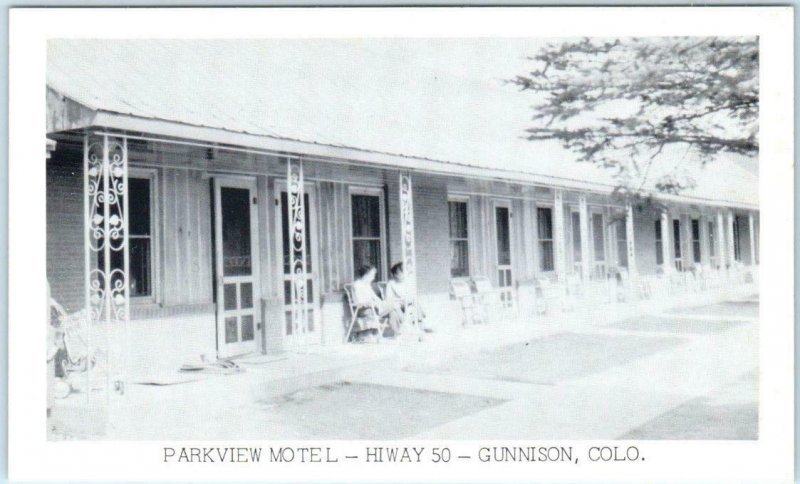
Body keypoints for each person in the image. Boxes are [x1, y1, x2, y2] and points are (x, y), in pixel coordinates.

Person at [351, 264, 401, 339]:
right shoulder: (357, 285)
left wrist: (383, 303)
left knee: (393, 309)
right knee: (394, 307)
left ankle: (398, 332)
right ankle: (402, 330)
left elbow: (375, 298)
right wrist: (374, 304)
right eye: (372, 274)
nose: (374, 277)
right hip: (364, 310)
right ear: (366, 274)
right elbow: (359, 301)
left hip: (374, 308)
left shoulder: (367, 285)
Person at [385, 262, 431, 333]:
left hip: (406, 302)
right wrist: (399, 301)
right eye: (400, 273)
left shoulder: (407, 282)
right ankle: (401, 329)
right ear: (395, 274)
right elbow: (389, 298)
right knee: (394, 310)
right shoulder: (391, 283)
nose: (402, 275)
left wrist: (407, 299)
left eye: (403, 272)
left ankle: (420, 323)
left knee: (415, 302)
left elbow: (411, 294)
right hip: (396, 304)